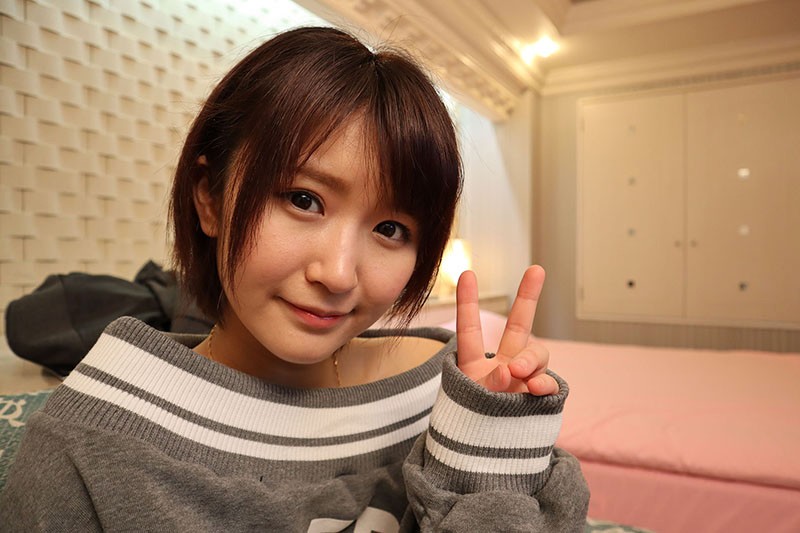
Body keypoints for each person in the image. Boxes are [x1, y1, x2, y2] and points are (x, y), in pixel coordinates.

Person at [0, 27, 588, 531]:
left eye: (390, 229)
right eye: (303, 199)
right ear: (209, 198)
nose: (338, 274)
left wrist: (487, 456)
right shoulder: (92, 440)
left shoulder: (451, 393)